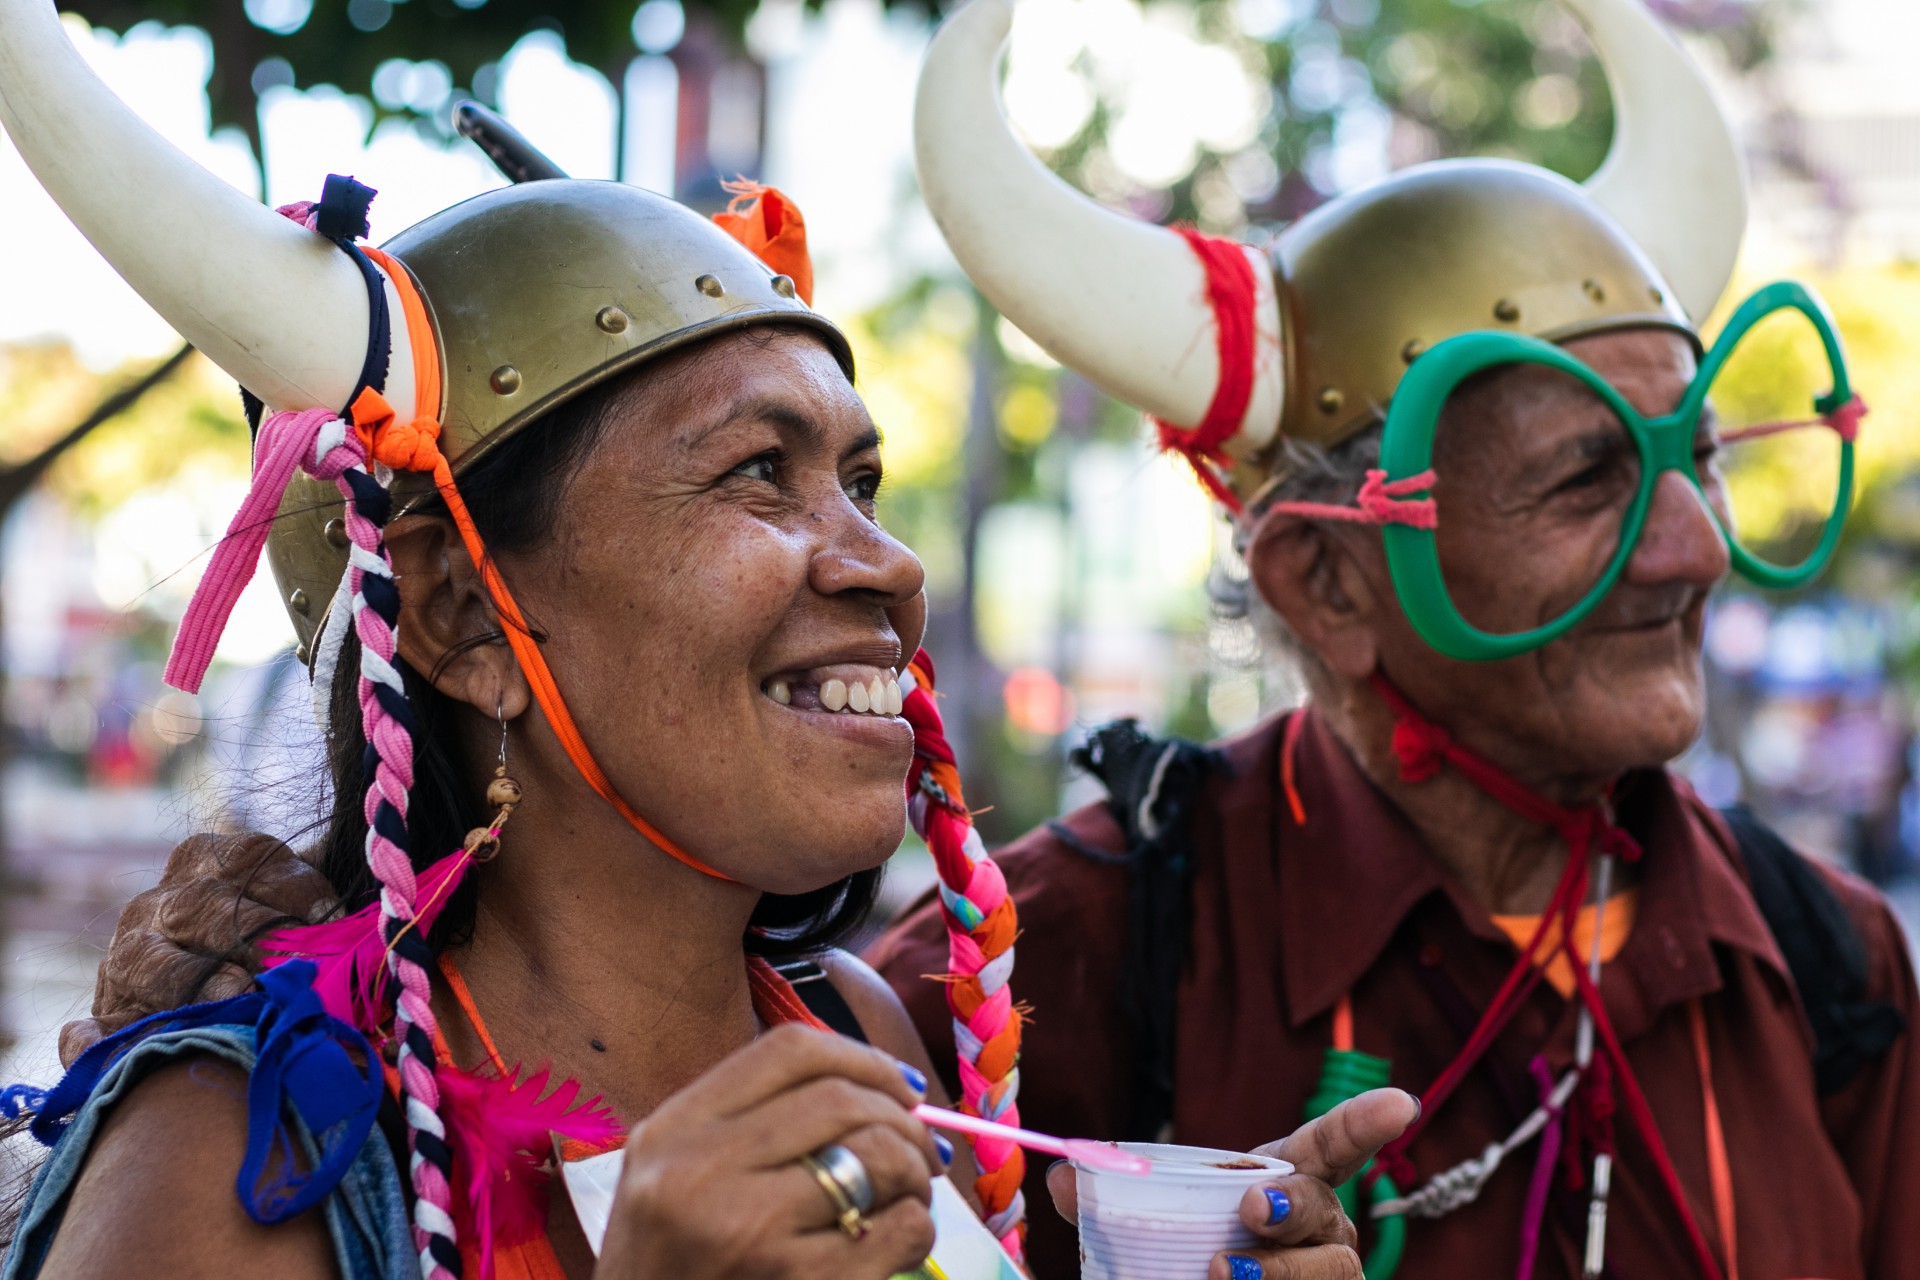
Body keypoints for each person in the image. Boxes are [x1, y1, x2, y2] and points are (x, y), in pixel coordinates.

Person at [0, 2, 1410, 1278]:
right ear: (459, 615)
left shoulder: (856, 1031)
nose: (891, 563)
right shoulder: (231, 1158)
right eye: (756, 473)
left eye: (859, 481)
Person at [870, 0, 1920, 1276]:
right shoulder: (1034, 974)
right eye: (1588, 479)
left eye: (1695, 458)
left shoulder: (1829, 959)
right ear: (1328, 585)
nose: (1695, 545)